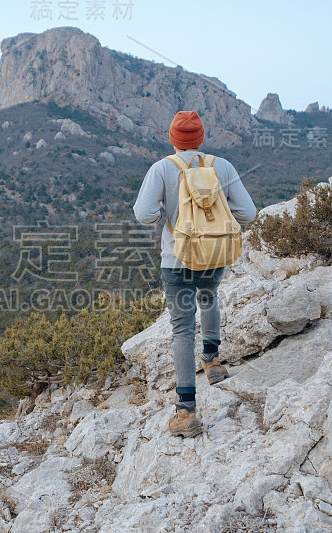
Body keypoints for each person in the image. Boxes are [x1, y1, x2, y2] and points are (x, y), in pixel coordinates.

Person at [133, 110, 256, 437]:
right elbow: (248, 212)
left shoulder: (162, 168)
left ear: (173, 140)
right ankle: (213, 363)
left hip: (176, 259)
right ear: (200, 139)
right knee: (209, 297)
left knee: (182, 329)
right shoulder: (222, 166)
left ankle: (186, 412)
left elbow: (143, 213)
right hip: (214, 254)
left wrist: (166, 212)